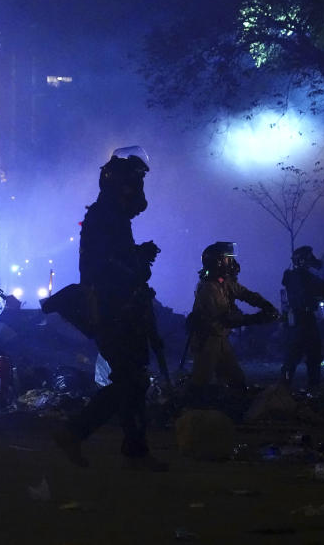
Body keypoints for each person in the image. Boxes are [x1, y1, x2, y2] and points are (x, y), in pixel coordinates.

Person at [53, 146, 167, 471]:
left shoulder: (110, 215)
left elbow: (115, 258)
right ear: (122, 184)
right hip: (112, 309)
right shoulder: (107, 216)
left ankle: (135, 450)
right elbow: (106, 266)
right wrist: (138, 263)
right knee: (129, 380)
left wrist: (135, 257)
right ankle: (75, 432)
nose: (140, 191)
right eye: (136, 182)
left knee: (132, 378)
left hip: (119, 307)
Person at [188, 241, 279, 396]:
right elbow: (227, 319)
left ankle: (232, 409)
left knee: (236, 379)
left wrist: (266, 306)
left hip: (221, 338)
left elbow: (245, 294)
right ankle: (189, 412)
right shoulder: (209, 288)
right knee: (200, 382)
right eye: (227, 259)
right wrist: (258, 318)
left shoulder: (223, 282)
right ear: (217, 261)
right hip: (208, 340)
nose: (231, 262)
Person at [280, 245, 324, 390]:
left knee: (294, 358)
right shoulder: (303, 277)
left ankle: (284, 387)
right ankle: (312, 386)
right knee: (311, 356)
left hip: (296, 321)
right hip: (305, 320)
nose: (312, 260)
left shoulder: (290, 276)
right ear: (301, 261)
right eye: (309, 258)